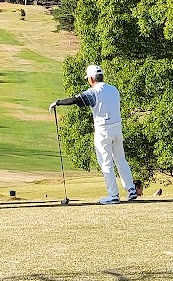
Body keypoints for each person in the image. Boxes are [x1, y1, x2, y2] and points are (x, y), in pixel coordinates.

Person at [49, 64, 138, 205]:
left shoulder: (94, 92)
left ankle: (113, 195)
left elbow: (76, 100)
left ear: (91, 79)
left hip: (103, 130)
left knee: (106, 163)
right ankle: (131, 190)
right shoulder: (113, 89)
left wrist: (58, 103)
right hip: (117, 128)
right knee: (120, 160)